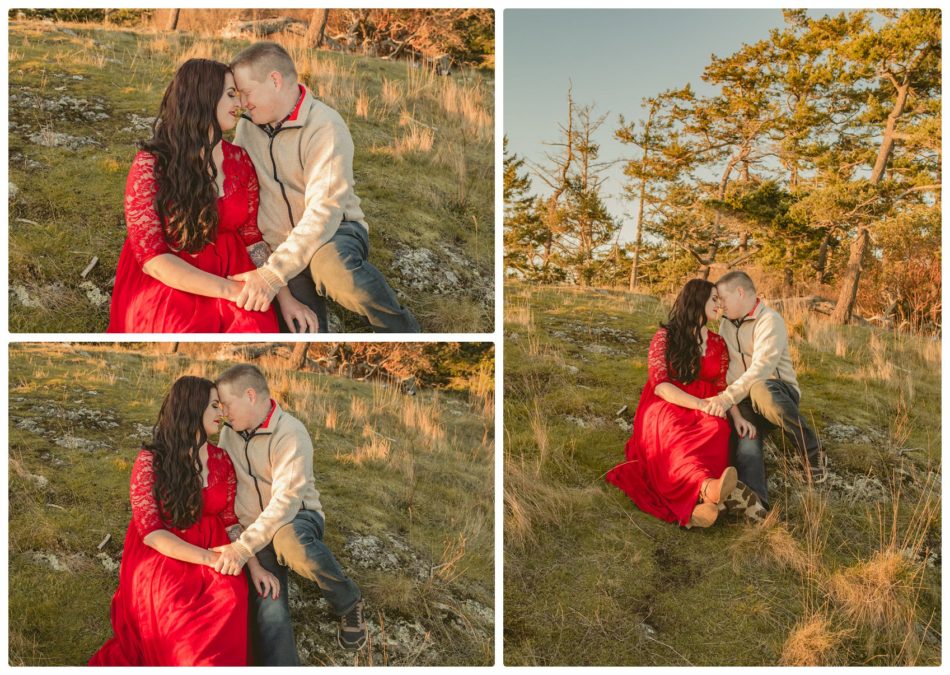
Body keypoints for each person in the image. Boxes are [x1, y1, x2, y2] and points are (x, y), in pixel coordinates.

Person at [107, 58, 318, 333]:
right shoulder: (151, 165)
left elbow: (252, 238)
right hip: (173, 279)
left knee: (253, 327)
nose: (239, 104)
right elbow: (152, 260)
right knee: (181, 326)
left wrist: (284, 297)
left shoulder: (239, 160)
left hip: (232, 268)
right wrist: (229, 290)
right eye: (231, 95)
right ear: (203, 95)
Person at [226, 41, 421, 333]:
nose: (242, 103)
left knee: (336, 273)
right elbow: (239, 186)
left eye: (246, 93)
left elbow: (324, 212)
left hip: (333, 232)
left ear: (275, 81)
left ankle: (403, 329)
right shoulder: (246, 128)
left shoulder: (325, 125)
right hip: (278, 244)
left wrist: (272, 275)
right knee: (299, 327)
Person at [89, 376, 280, 666]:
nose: (222, 413)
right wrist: (206, 559)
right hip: (164, 555)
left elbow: (229, 520)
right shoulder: (151, 459)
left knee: (229, 598)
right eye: (215, 406)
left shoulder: (220, 459)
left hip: (216, 550)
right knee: (177, 620)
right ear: (192, 408)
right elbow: (151, 532)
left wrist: (252, 565)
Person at [210, 364, 366, 665]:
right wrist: (245, 542)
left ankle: (348, 601)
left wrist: (243, 547)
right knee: (269, 609)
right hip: (253, 529)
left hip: (296, 518)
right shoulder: (229, 434)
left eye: (226, 404)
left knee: (290, 542)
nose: (223, 413)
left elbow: (286, 502)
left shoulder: (290, 432)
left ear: (251, 396)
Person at [606, 279, 760, 528]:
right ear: (697, 301)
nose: (718, 305)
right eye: (713, 299)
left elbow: (722, 387)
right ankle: (706, 488)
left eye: (719, 300)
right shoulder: (665, 336)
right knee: (673, 431)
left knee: (717, 429)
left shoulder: (718, 343)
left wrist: (738, 416)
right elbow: (660, 384)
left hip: (707, 404)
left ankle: (700, 507)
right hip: (668, 402)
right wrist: (699, 404)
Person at [704, 270, 825, 509]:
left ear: (740, 293)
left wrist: (727, 398)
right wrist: (734, 407)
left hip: (776, 394)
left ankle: (812, 450)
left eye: (722, 299)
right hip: (744, 398)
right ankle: (755, 502)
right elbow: (727, 368)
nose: (719, 305)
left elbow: (761, 368)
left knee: (760, 389)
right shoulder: (726, 325)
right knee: (745, 439)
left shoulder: (770, 320)